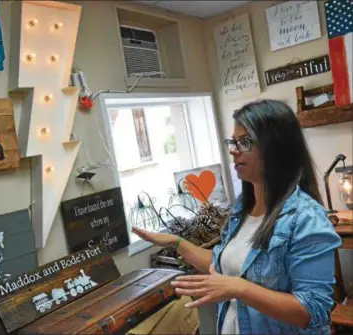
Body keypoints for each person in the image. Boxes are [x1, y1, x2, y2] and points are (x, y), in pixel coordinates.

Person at [132, 99, 342, 335]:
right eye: (233, 141)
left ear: (275, 149)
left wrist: (239, 289)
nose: (233, 150)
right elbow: (228, 264)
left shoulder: (306, 219)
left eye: (245, 142)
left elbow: (313, 311)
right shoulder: (243, 208)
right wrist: (175, 243)